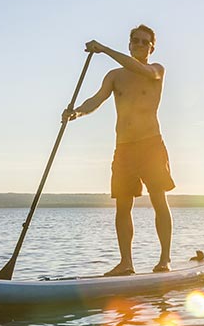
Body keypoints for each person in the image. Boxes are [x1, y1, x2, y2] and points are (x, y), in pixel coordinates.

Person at [63, 25, 174, 275]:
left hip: (151, 145)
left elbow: (139, 68)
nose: (138, 44)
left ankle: (165, 259)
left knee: (159, 199)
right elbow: (96, 99)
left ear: (151, 48)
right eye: (134, 40)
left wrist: (103, 49)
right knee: (122, 206)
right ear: (129, 43)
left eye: (144, 42)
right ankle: (126, 263)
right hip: (123, 148)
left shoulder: (155, 70)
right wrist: (76, 112)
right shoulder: (114, 76)